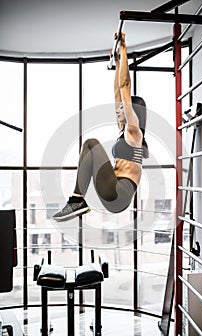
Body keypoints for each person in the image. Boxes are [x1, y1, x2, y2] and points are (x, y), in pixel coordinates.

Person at [53, 33, 149, 221]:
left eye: (123, 108)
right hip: (113, 191)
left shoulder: (134, 132)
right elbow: (117, 92)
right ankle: (77, 201)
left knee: (91, 143)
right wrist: (117, 60)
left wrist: (123, 47)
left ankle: (76, 200)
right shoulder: (124, 132)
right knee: (89, 147)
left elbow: (124, 87)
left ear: (133, 113)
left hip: (120, 193)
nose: (118, 109)